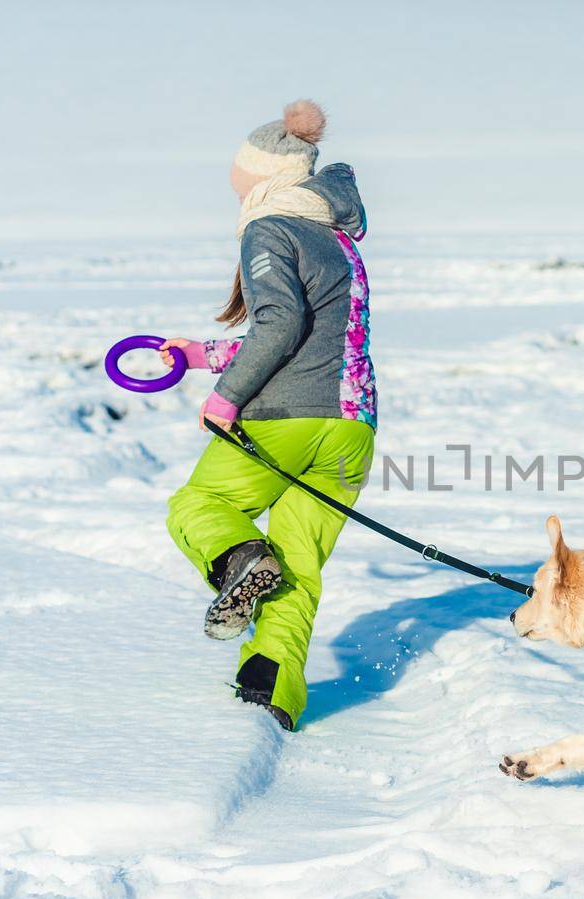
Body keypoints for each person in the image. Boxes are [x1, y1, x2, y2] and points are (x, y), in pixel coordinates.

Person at [160, 100, 376, 731]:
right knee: (298, 565)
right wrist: (202, 354)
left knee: (198, 507)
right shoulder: (335, 235)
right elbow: (310, 333)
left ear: (264, 178)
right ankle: (269, 694)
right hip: (350, 429)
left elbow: (280, 324)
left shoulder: (270, 227)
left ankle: (239, 561)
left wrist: (226, 397)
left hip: (286, 417)